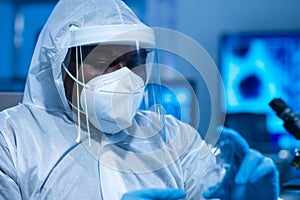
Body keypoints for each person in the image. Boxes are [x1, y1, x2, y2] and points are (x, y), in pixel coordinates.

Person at [0, 0, 279, 199]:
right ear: (64, 66)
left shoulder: (173, 138)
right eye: (106, 61)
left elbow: (210, 190)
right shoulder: (13, 140)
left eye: (133, 62)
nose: (125, 77)